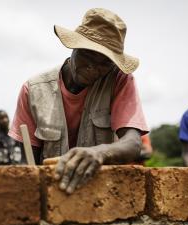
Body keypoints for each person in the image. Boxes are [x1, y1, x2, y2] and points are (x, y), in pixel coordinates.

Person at [9, 8, 148, 194]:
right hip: (52, 193)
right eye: (88, 55)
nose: (93, 67)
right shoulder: (34, 89)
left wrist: (99, 152)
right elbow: (27, 160)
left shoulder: (120, 80)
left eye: (105, 63)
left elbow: (133, 143)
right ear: (74, 47)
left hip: (101, 193)